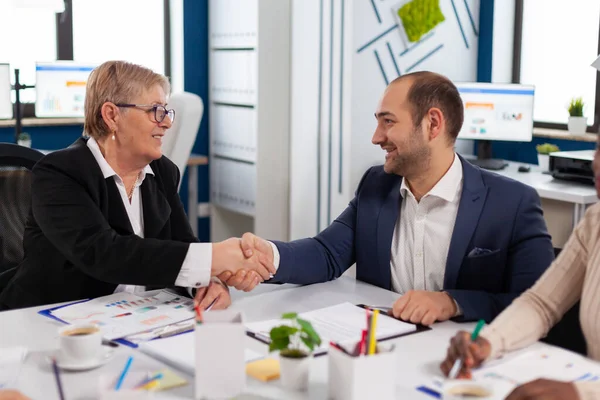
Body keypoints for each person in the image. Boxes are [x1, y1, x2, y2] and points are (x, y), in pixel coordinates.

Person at [227, 71, 554, 325]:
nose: (376, 137)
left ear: (433, 124)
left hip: (468, 360)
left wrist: (453, 302)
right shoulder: (376, 185)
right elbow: (327, 254)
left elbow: (537, 304)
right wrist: (268, 254)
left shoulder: (513, 204)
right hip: (382, 348)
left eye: (388, 122)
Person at [0, 61, 272, 311]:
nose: (166, 123)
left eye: (167, 112)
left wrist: (205, 283)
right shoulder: (59, 173)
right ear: (112, 115)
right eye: (155, 111)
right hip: (48, 322)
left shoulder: (163, 171)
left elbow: (181, 245)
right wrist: (215, 257)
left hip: (132, 319)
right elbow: (104, 254)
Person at [440, 134, 600, 400]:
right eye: (599, 148)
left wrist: (582, 393)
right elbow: (541, 303)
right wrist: (488, 342)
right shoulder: (595, 222)